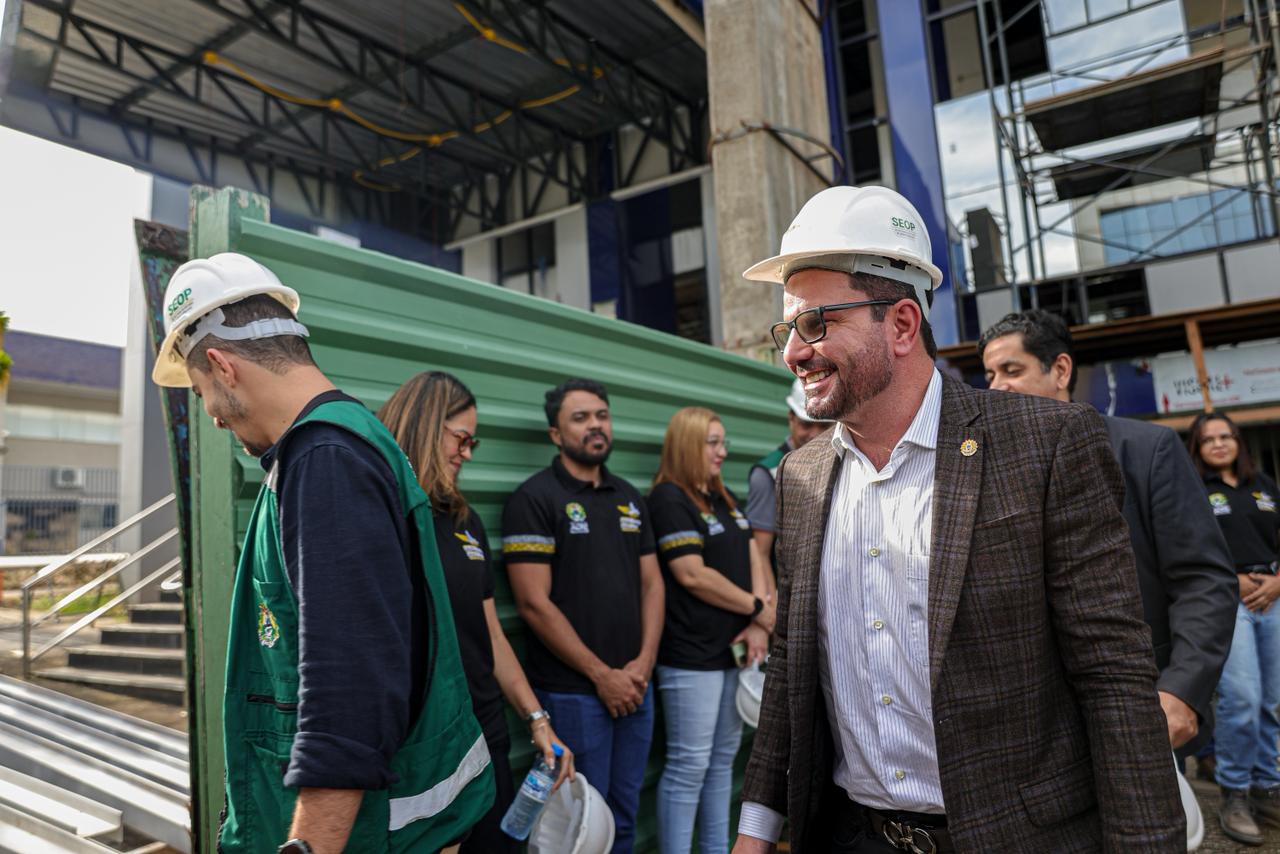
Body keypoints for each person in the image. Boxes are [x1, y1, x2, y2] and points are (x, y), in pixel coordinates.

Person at [734, 186, 1183, 853]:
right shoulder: (799, 478)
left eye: (816, 324)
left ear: (902, 325)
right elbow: (793, 668)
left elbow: (1112, 671)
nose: (794, 353)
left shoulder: (1046, 444)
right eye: (789, 331)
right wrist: (755, 831)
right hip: (854, 837)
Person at [151, 254, 493, 854]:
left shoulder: (325, 460)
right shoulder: (342, 443)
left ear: (223, 366)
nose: (210, 416)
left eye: (201, 392)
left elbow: (350, 691)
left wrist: (311, 844)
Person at [978, 310, 1236, 760]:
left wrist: (1182, 689)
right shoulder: (985, 471)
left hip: (1138, 707)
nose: (997, 387)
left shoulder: (1145, 450)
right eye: (990, 375)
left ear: (1061, 370)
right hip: (1031, 729)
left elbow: (1203, 579)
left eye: (1012, 370)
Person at [377, 371, 576, 853]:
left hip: (484, 737)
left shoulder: (464, 521)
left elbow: (491, 633)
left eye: (473, 443)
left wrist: (537, 719)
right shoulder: (384, 514)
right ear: (427, 427)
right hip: (418, 746)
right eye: (461, 438)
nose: (467, 453)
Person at [502, 378, 665, 853]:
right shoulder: (533, 499)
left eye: (602, 415)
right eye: (581, 418)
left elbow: (653, 585)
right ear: (556, 434)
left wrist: (642, 666)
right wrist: (601, 676)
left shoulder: (630, 497)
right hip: (574, 694)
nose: (596, 425)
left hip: (635, 686)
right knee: (580, 826)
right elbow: (533, 603)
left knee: (623, 818)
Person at [649, 407, 775, 854]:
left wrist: (758, 621)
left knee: (722, 763)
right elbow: (692, 574)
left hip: (732, 652)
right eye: (713, 443)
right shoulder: (669, 499)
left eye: (724, 442)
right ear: (688, 445)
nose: (723, 452)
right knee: (689, 766)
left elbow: (754, 554)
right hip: (691, 657)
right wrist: (758, 608)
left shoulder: (722, 496)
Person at [1188, 411, 1280, 846]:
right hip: (1227, 599)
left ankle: (1267, 785)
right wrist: (1232, 579)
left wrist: (1278, 582)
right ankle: (1235, 791)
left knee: (1272, 700)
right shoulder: (1194, 489)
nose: (1219, 444)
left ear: (1239, 441)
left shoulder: (1263, 485)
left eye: (1226, 436)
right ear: (1198, 447)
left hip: (1273, 596)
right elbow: (1190, 546)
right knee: (1242, 696)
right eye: (1209, 439)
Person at [745, 379, 827, 571]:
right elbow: (760, 555)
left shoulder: (843, 461)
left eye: (824, 426)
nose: (815, 434)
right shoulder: (768, 474)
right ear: (791, 418)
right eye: (806, 425)